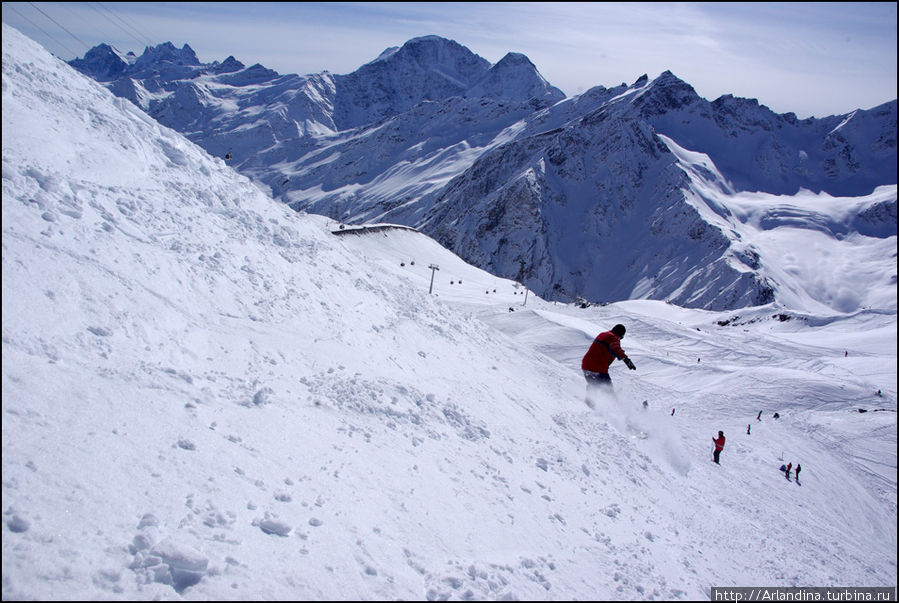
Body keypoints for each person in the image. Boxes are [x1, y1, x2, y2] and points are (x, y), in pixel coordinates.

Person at [581, 324, 635, 404]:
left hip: (586, 366)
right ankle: (617, 410)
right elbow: (615, 348)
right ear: (621, 334)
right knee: (608, 392)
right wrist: (626, 359)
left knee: (593, 386)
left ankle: (589, 405)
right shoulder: (614, 337)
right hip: (598, 368)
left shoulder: (603, 334)